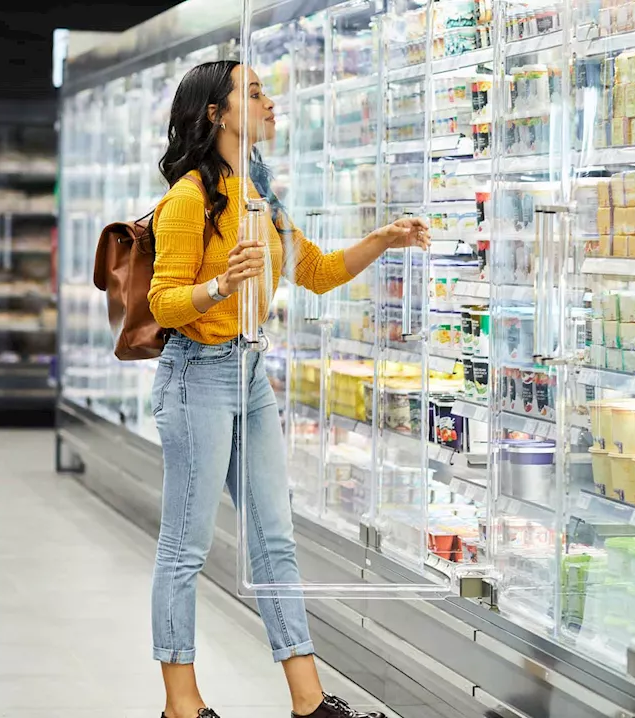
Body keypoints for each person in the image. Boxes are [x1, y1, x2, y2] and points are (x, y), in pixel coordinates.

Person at [145, 59, 430, 718]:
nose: (269, 101)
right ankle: (180, 705)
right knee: (185, 548)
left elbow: (320, 272)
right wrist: (221, 285)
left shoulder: (259, 200)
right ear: (215, 114)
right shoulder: (189, 199)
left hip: (249, 376)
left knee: (274, 539)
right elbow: (163, 304)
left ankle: (309, 703)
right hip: (197, 377)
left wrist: (385, 240)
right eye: (253, 91)